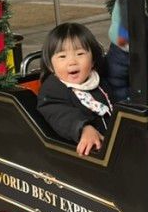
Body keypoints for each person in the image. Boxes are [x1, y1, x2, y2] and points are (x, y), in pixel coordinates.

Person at [37, 23, 114, 156]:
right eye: (62, 56)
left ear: (93, 60)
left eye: (80, 54)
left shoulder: (99, 81)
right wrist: (84, 128)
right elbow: (60, 114)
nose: (72, 61)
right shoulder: (52, 90)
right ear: (50, 65)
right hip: (83, 153)